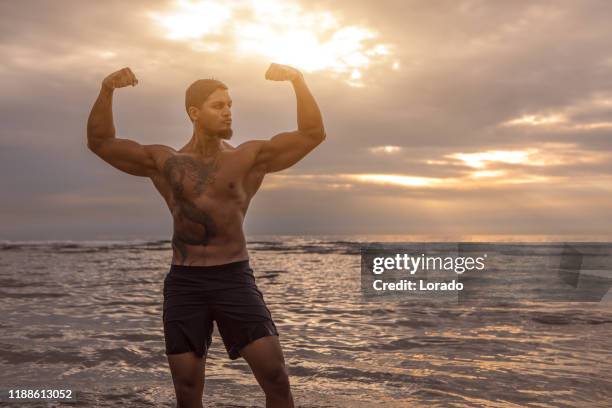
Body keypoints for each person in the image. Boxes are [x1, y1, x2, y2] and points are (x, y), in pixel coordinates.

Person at [86, 64, 325, 408]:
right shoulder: (165, 162)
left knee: (275, 378)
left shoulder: (249, 157)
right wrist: (107, 89)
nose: (228, 112)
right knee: (187, 388)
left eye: (230, 104)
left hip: (234, 278)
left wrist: (298, 81)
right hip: (186, 284)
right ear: (194, 113)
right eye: (218, 105)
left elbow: (312, 134)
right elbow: (101, 142)